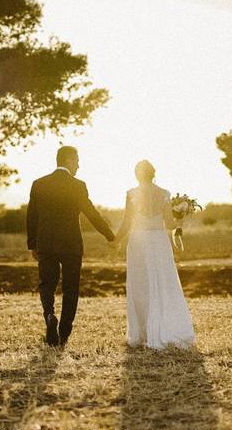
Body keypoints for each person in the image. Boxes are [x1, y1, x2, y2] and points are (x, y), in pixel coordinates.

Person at [27, 146, 115, 347]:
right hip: (71, 245)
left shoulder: (39, 184)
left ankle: (49, 315)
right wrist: (110, 235)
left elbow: (31, 216)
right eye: (76, 160)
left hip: (46, 244)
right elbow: (92, 213)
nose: (78, 165)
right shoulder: (78, 186)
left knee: (46, 284)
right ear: (67, 160)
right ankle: (64, 331)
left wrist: (33, 244)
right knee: (71, 287)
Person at [113, 159, 196, 349]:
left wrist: (115, 240)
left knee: (141, 285)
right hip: (159, 241)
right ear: (153, 173)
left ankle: (142, 333)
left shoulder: (131, 194)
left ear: (136, 174)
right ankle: (164, 329)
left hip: (139, 242)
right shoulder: (164, 194)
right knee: (163, 283)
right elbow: (169, 222)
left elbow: (127, 222)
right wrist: (181, 217)